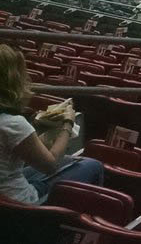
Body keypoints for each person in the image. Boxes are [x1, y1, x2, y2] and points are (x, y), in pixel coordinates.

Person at [0, 46, 104, 203]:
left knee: (71, 161)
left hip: (7, 183)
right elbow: (51, 165)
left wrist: (35, 130)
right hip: (16, 203)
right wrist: (68, 123)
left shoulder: (13, 125)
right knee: (92, 165)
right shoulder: (12, 124)